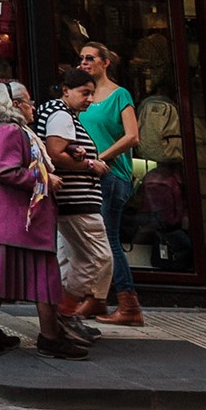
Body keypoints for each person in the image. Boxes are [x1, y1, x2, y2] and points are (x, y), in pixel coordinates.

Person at [0, 81, 85, 360]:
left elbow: (28, 160)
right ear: (15, 105)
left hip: (7, 223)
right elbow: (6, 171)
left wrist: (69, 151)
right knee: (45, 278)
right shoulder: (11, 131)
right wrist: (45, 180)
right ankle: (50, 337)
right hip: (19, 221)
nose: (34, 106)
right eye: (28, 101)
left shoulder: (13, 131)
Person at [39, 69, 110, 340]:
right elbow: (54, 155)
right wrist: (91, 165)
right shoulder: (61, 115)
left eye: (92, 93)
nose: (89, 98)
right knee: (96, 258)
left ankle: (62, 314)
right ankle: (66, 313)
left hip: (73, 201)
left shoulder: (58, 113)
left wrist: (76, 152)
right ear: (66, 90)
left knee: (70, 259)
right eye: (84, 92)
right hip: (77, 201)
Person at [78, 43, 145, 326]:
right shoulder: (84, 97)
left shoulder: (120, 95)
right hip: (89, 176)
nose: (83, 62)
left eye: (89, 58)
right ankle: (97, 300)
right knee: (92, 240)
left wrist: (99, 157)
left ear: (105, 62)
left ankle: (129, 306)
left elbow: (132, 136)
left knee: (108, 239)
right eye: (81, 58)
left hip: (111, 175)